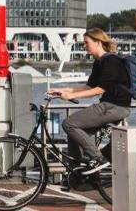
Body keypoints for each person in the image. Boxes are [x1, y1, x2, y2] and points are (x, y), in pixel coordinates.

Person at [47, 28, 131, 174]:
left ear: (98, 42)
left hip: (114, 107)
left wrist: (71, 97)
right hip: (108, 106)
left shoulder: (111, 61)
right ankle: (78, 172)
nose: (84, 46)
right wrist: (64, 91)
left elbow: (100, 89)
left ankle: (99, 159)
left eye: (87, 42)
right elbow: (89, 86)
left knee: (69, 124)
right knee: (73, 135)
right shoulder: (99, 62)